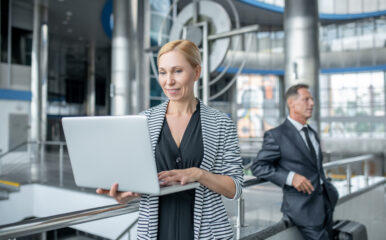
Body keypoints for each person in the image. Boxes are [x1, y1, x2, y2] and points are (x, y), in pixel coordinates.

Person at [97, 39, 243, 240]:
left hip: (208, 233)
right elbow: (136, 178)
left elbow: (235, 188)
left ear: (196, 72)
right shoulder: (143, 121)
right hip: (155, 232)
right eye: (163, 72)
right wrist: (124, 195)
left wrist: (198, 174)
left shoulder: (221, 123)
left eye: (177, 71)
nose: (168, 81)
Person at [251, 84, 339, 240]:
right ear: (291, 103)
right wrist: (291, 178)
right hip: (303, 209)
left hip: (325, 203)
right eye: (306, 99)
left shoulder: (311, 133)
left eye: (312, 99)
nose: (312, 103)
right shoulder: (276, 135)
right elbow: (258, 167)